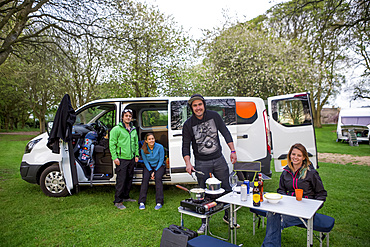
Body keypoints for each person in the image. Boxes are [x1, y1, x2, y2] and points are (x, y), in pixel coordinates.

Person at [182, 94, 238, 234]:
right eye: (195, 105)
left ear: (204, 105)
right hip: (201, 162)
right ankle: (204, 222)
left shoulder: (214, 116)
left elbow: (225, 132)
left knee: (226, 188)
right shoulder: (188, 124)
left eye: (199, 104)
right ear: (192, 108)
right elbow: (185, 146)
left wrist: (233, 150)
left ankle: (229, 217)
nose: (198, 108)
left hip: (218, 159)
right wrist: (188, 163)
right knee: (203, 193)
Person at [262, 143, 327, 247]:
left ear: (304, 157)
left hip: (305, 210)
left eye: (299, 155)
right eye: (293, 154)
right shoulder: (285, 172)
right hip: (288, 208)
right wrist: (286, 200)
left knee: (275, 219)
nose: (295, 157)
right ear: (289, 155)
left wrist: (314, 207)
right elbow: (281, 190)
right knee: (272, 214)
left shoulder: (311, 173)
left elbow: (321, 194)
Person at [109, 109, 139, 209]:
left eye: (130, 116)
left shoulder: (133, 130)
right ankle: (118, 201)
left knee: (129, 178)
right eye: (126, 116)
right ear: (122, 117)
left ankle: (126, 196)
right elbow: (112, 144)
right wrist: (115, 157)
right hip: (121, 159)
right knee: (121, 180)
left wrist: (136, 155)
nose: (128, 117)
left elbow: (136, 144)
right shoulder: (116, 129)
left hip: (131, 158)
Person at [138, 133, 166, 210]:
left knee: (158, 178)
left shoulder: (160, 147)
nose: (151, 140)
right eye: (149, 139)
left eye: (152, 138)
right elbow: (145, 161)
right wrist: (150, 171)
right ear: (146, 141)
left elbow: (161, 160)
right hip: (149, 166)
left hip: (159, 165)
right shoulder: (144, 149)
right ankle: (141, 202)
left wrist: (155, 171)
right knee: (145, 179)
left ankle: (159, 202)